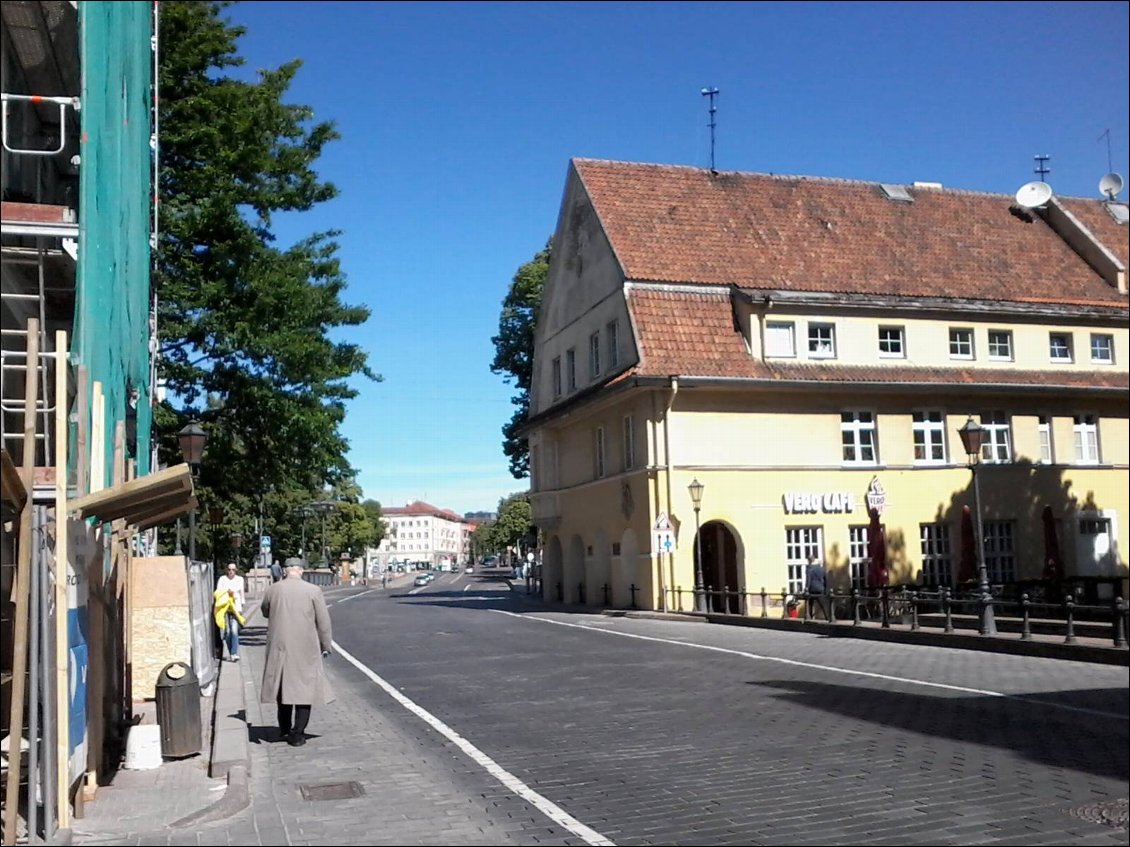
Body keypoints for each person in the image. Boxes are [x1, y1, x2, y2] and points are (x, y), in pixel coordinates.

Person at [259, 558, 334, 747]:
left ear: (285, 571)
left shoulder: (273, 589)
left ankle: (284, 729)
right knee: (304, 691)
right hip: (305, 647)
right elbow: (323, 622)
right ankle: (298, 733)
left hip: (280, 646)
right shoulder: (313, 591)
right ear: (301, 571)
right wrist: (326, 645)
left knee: (283, 689)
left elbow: (265, 611)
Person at [214, 562, 246, 661]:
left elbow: (241, 592)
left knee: (234, 631)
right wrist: (227, 592)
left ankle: (234, 653)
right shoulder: (222, 579)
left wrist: (241, 606)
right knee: (227, 633)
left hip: (235, 608)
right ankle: (231, 650)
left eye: (233, 570)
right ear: (226, 570)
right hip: (224, 608)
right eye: (229, 569)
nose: (231, 571)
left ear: (236, 570)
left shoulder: (240, 579)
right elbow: (218, 592)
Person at [804, 556, 832, 621]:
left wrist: (806, 589)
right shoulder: (821, 568)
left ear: (809, 561)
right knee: (823, 605)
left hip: (812, 589)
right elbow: (826, 579)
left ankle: (809, 617)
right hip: (820, 589)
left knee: (810, 604)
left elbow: (808, 580)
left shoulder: (809, 569)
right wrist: (826, 588)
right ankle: (828, 618)